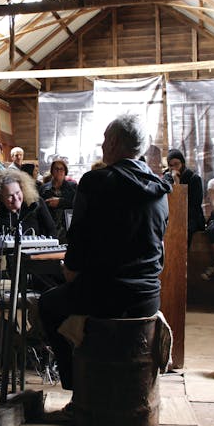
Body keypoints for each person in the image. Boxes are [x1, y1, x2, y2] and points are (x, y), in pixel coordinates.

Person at [38, 113, 171, 392]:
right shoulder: (159, 188)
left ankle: (79, 389)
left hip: (107, 295)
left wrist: (71, 271)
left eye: (104, 140)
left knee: (48, 305)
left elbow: (78, 241)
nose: (101, 146)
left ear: (113, 144)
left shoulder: (96, 181)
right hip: (148, 295)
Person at [0, 170, 56, 286]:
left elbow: (52, 230)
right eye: (10, 196)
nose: (16, 198)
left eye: (17, 192)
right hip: (14, 270)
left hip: (40, 264)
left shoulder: (35, 204)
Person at [162, 149, 205, 246]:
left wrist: (177, 183)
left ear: (183, 163)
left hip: (191, 216)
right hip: (172, 215)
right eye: (171, 165)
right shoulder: (167, 179)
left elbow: (195, 204)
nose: (174, 168)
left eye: (176, 164)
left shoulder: (194, 179)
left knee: (184, 230)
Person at [40, 158, 77, 243]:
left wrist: (61, 202)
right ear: (52, 171)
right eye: (56, 169)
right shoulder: (43, 188)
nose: (59, 171)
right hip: (49, 227)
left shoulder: (73, 187)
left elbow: (77, 205)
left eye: (62, 169)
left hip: (66, 228)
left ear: (65, 172)